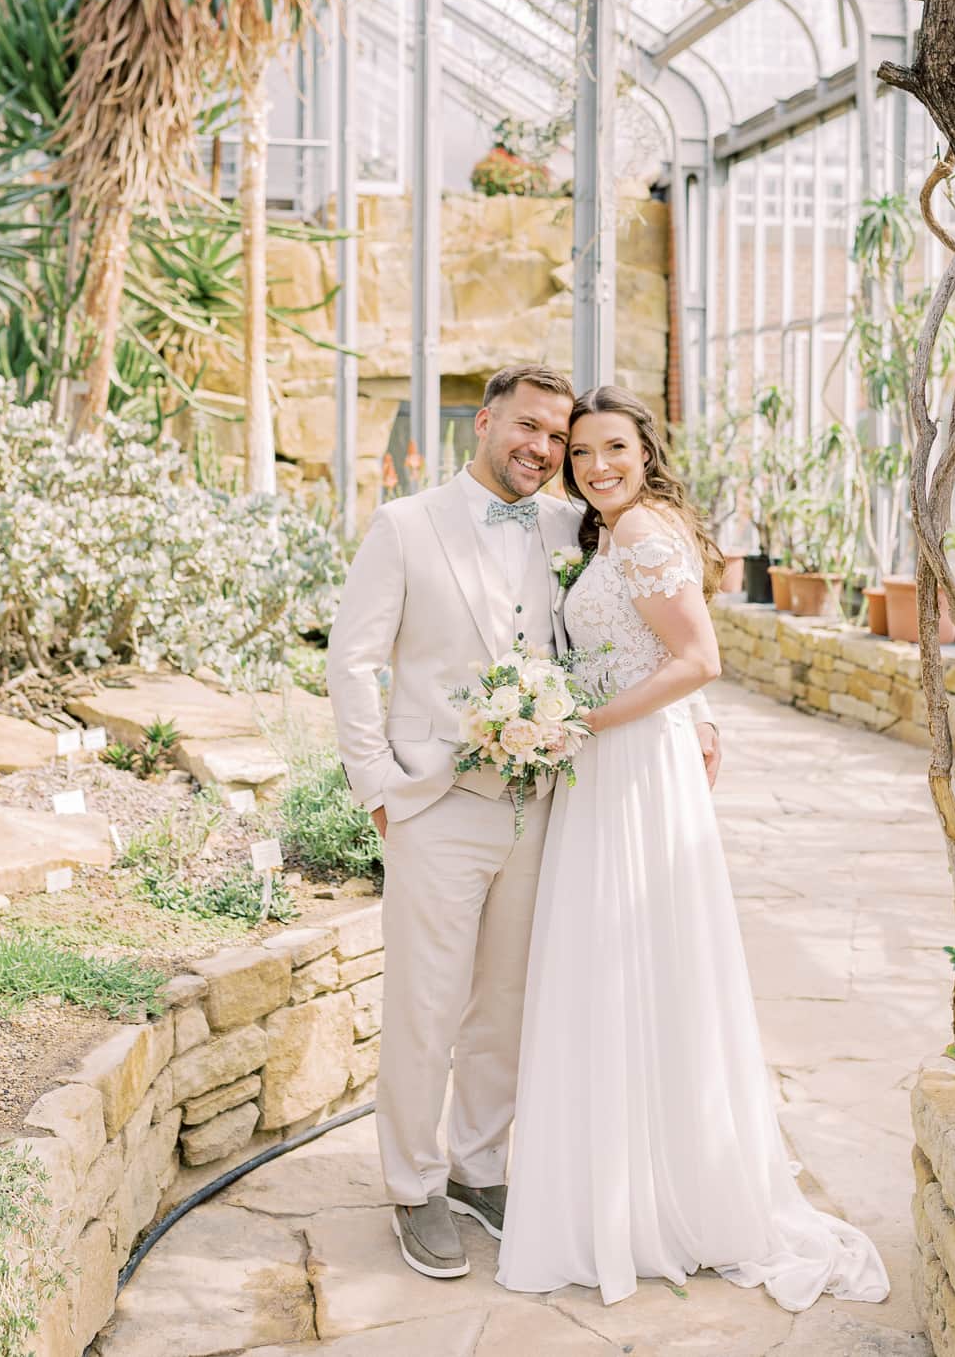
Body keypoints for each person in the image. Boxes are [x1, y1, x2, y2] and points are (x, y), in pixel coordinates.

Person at [496, 384, 890, 1313]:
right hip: (622, 765)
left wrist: (577, 720)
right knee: (629, 969)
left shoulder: (638, 532)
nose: (595, 466)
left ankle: (642, 1198)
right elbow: (658, 652)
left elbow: (697, 657)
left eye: (613, 449)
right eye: (581, 451)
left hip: (629, 767)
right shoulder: (619, 528)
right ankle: (631, 1185)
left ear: (646, 449)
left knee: (625, 964)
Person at [326, 365, 722, 1282]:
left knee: (507, 1004)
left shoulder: (572, 523)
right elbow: (351, 663)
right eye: (534, 429)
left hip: (546, 802)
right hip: (434, 802)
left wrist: (698, 715)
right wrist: (377, 787)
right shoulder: (404, 525)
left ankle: (478, 1166)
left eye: (561, 437)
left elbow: (641, 629)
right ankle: (413, 1184)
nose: (547, 450)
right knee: (425, 1006)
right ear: (485, 421)